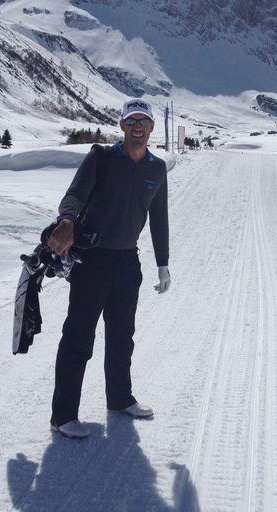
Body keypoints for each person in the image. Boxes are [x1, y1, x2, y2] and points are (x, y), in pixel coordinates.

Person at [46, 97, 171, 439]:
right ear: (121, 126)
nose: (137, 127)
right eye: (131, 121)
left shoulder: (156, 169)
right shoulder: (101, 157)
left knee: (122, 337)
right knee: (78, 337)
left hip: (127, 262)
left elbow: (158, 217)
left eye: (143, 121)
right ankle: (63, 416)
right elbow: (74, 194)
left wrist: (163, 264)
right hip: (93, 261)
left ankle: (119, 398)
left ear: (151, 128)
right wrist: (68, 221)